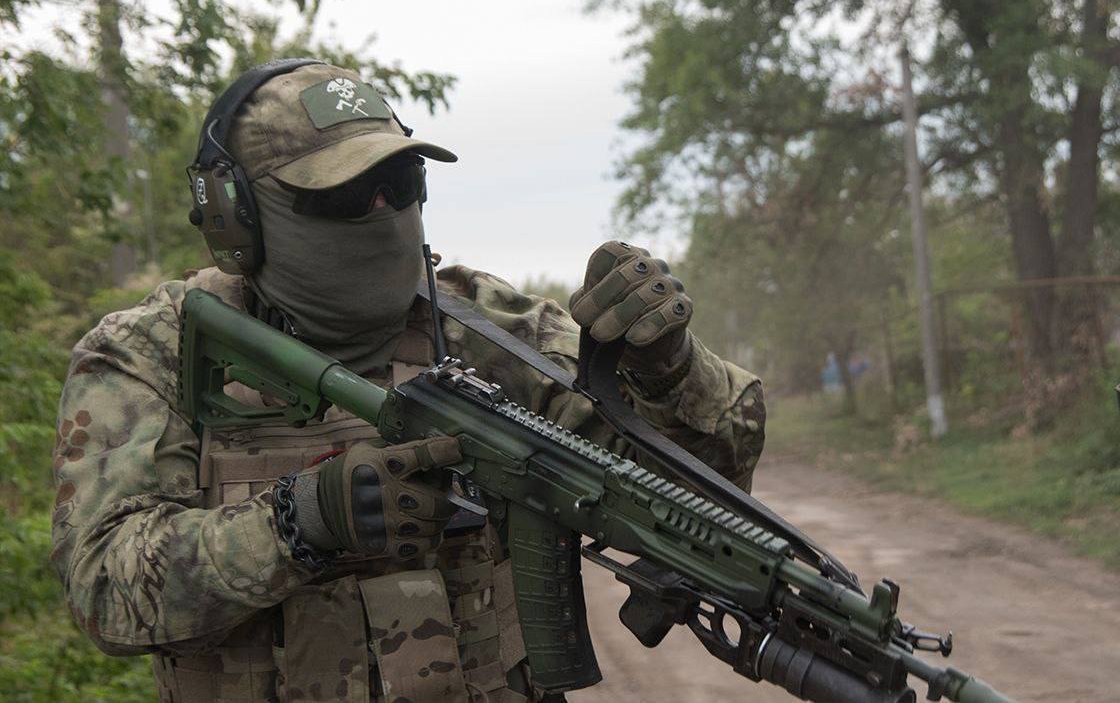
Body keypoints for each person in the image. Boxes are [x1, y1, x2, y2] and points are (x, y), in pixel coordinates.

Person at [50, 59, 767, 702]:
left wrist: (667, 367)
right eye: (342, 197)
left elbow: (705, 496)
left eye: (399, 182)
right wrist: (299, 524)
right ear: (236, 215)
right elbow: (103, 591)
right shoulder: (149, 355)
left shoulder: (494, 332)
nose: (383, 214)